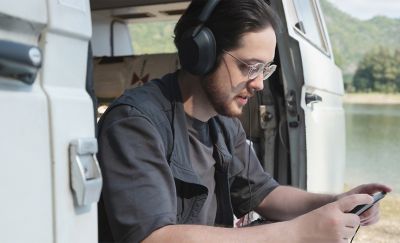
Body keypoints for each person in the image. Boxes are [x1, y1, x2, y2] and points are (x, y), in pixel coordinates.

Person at [97, 0, 391, 242]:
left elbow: (265, 194)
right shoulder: (134, 123)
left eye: (266, 69)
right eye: (250, 67)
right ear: (201, 53)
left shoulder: (223, 122)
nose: (260, 84)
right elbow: (152, 238)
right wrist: (299, 232)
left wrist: (335, 201)